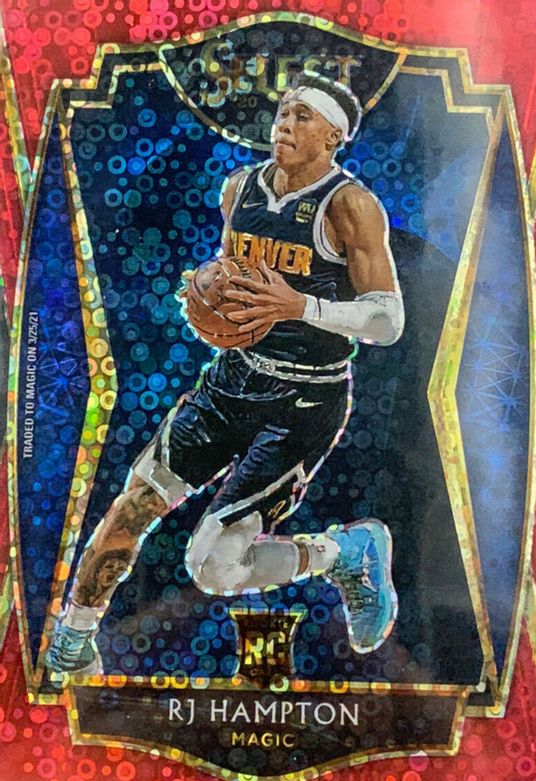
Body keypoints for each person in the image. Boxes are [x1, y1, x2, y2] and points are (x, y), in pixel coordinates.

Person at [46, 74, 405, 682]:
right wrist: (208, 297)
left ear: (333, 137)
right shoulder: (239, 188)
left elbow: (389, 320)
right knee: (134, 504)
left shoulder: (350, 206)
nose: (285, 124)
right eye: (283, 112)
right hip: (231, 380)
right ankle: (72, 641)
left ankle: (343, 553)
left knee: (212, 568)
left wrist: (301, 307)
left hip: (304, 398)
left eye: (303, 116)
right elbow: (236, 281)